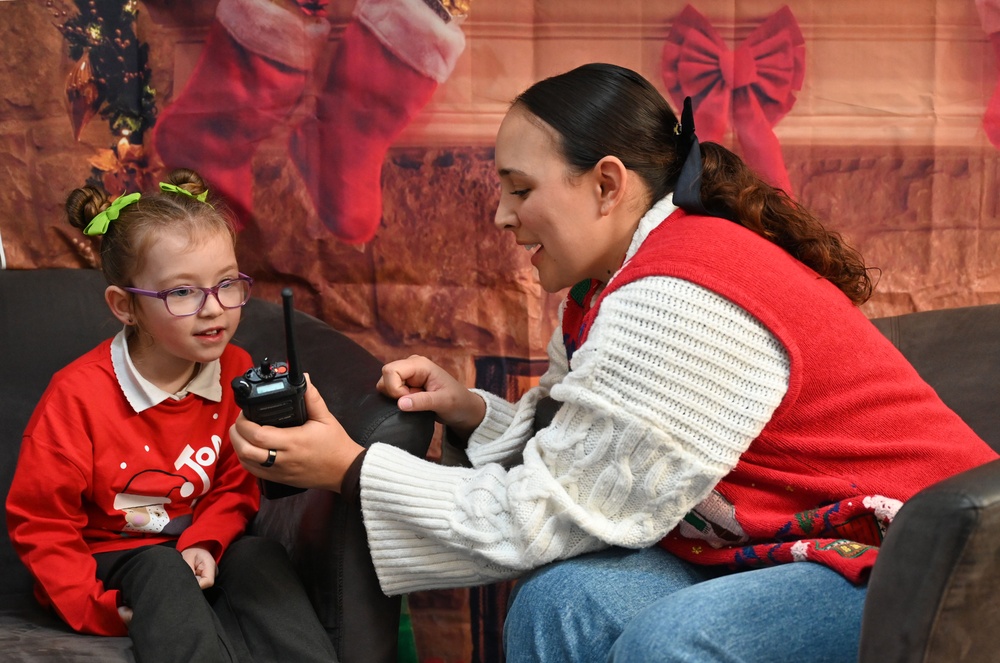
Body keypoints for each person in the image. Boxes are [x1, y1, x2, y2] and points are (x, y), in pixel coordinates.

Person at [229, 63, 999, 662]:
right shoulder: (615, 282)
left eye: (520, 189)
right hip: (771, 539)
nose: (501, 215)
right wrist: (471, 409)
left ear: (606, 184)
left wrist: (350, 469)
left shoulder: (681, 295)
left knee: (671, 644)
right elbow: (603, 462)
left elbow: (545, 510)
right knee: (558, 604)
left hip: (918, 559)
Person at [6, 170, 336, 663]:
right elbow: (43, 524)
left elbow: (234, 484)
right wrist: (96, 609)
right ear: (125, 306)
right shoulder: (75, 397)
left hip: (199, 544)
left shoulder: (238, 372)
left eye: (227, 284)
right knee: (161, 570)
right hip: (109, 562)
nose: (214, 309)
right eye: (183, 292)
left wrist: (206, 544)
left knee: (259, 555)